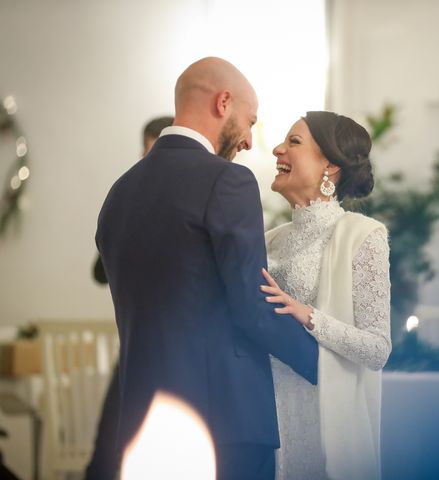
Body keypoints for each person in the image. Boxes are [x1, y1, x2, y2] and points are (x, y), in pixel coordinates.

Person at [95, 57, 318, 480]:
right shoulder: (227, 181)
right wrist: (326, 366)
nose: (251, 141)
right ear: (223, 102)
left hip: (142, 423)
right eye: (250, 121)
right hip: (223, 422)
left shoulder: (118, 194)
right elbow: (253, 305)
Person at [261, 111, 392, 479]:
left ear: (330, 166)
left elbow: (377, 349)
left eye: (293, 143)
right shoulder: (271, 239)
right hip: (268, 414)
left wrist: (308, 315)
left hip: (325, 418)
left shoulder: (363, 235)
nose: (277, 150)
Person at [85, 114, 173, 480]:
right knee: (108, 451)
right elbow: (99, 271)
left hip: (176, 351)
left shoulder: (192, 201)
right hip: (136, 347)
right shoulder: (132, 197)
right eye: (145, 151)